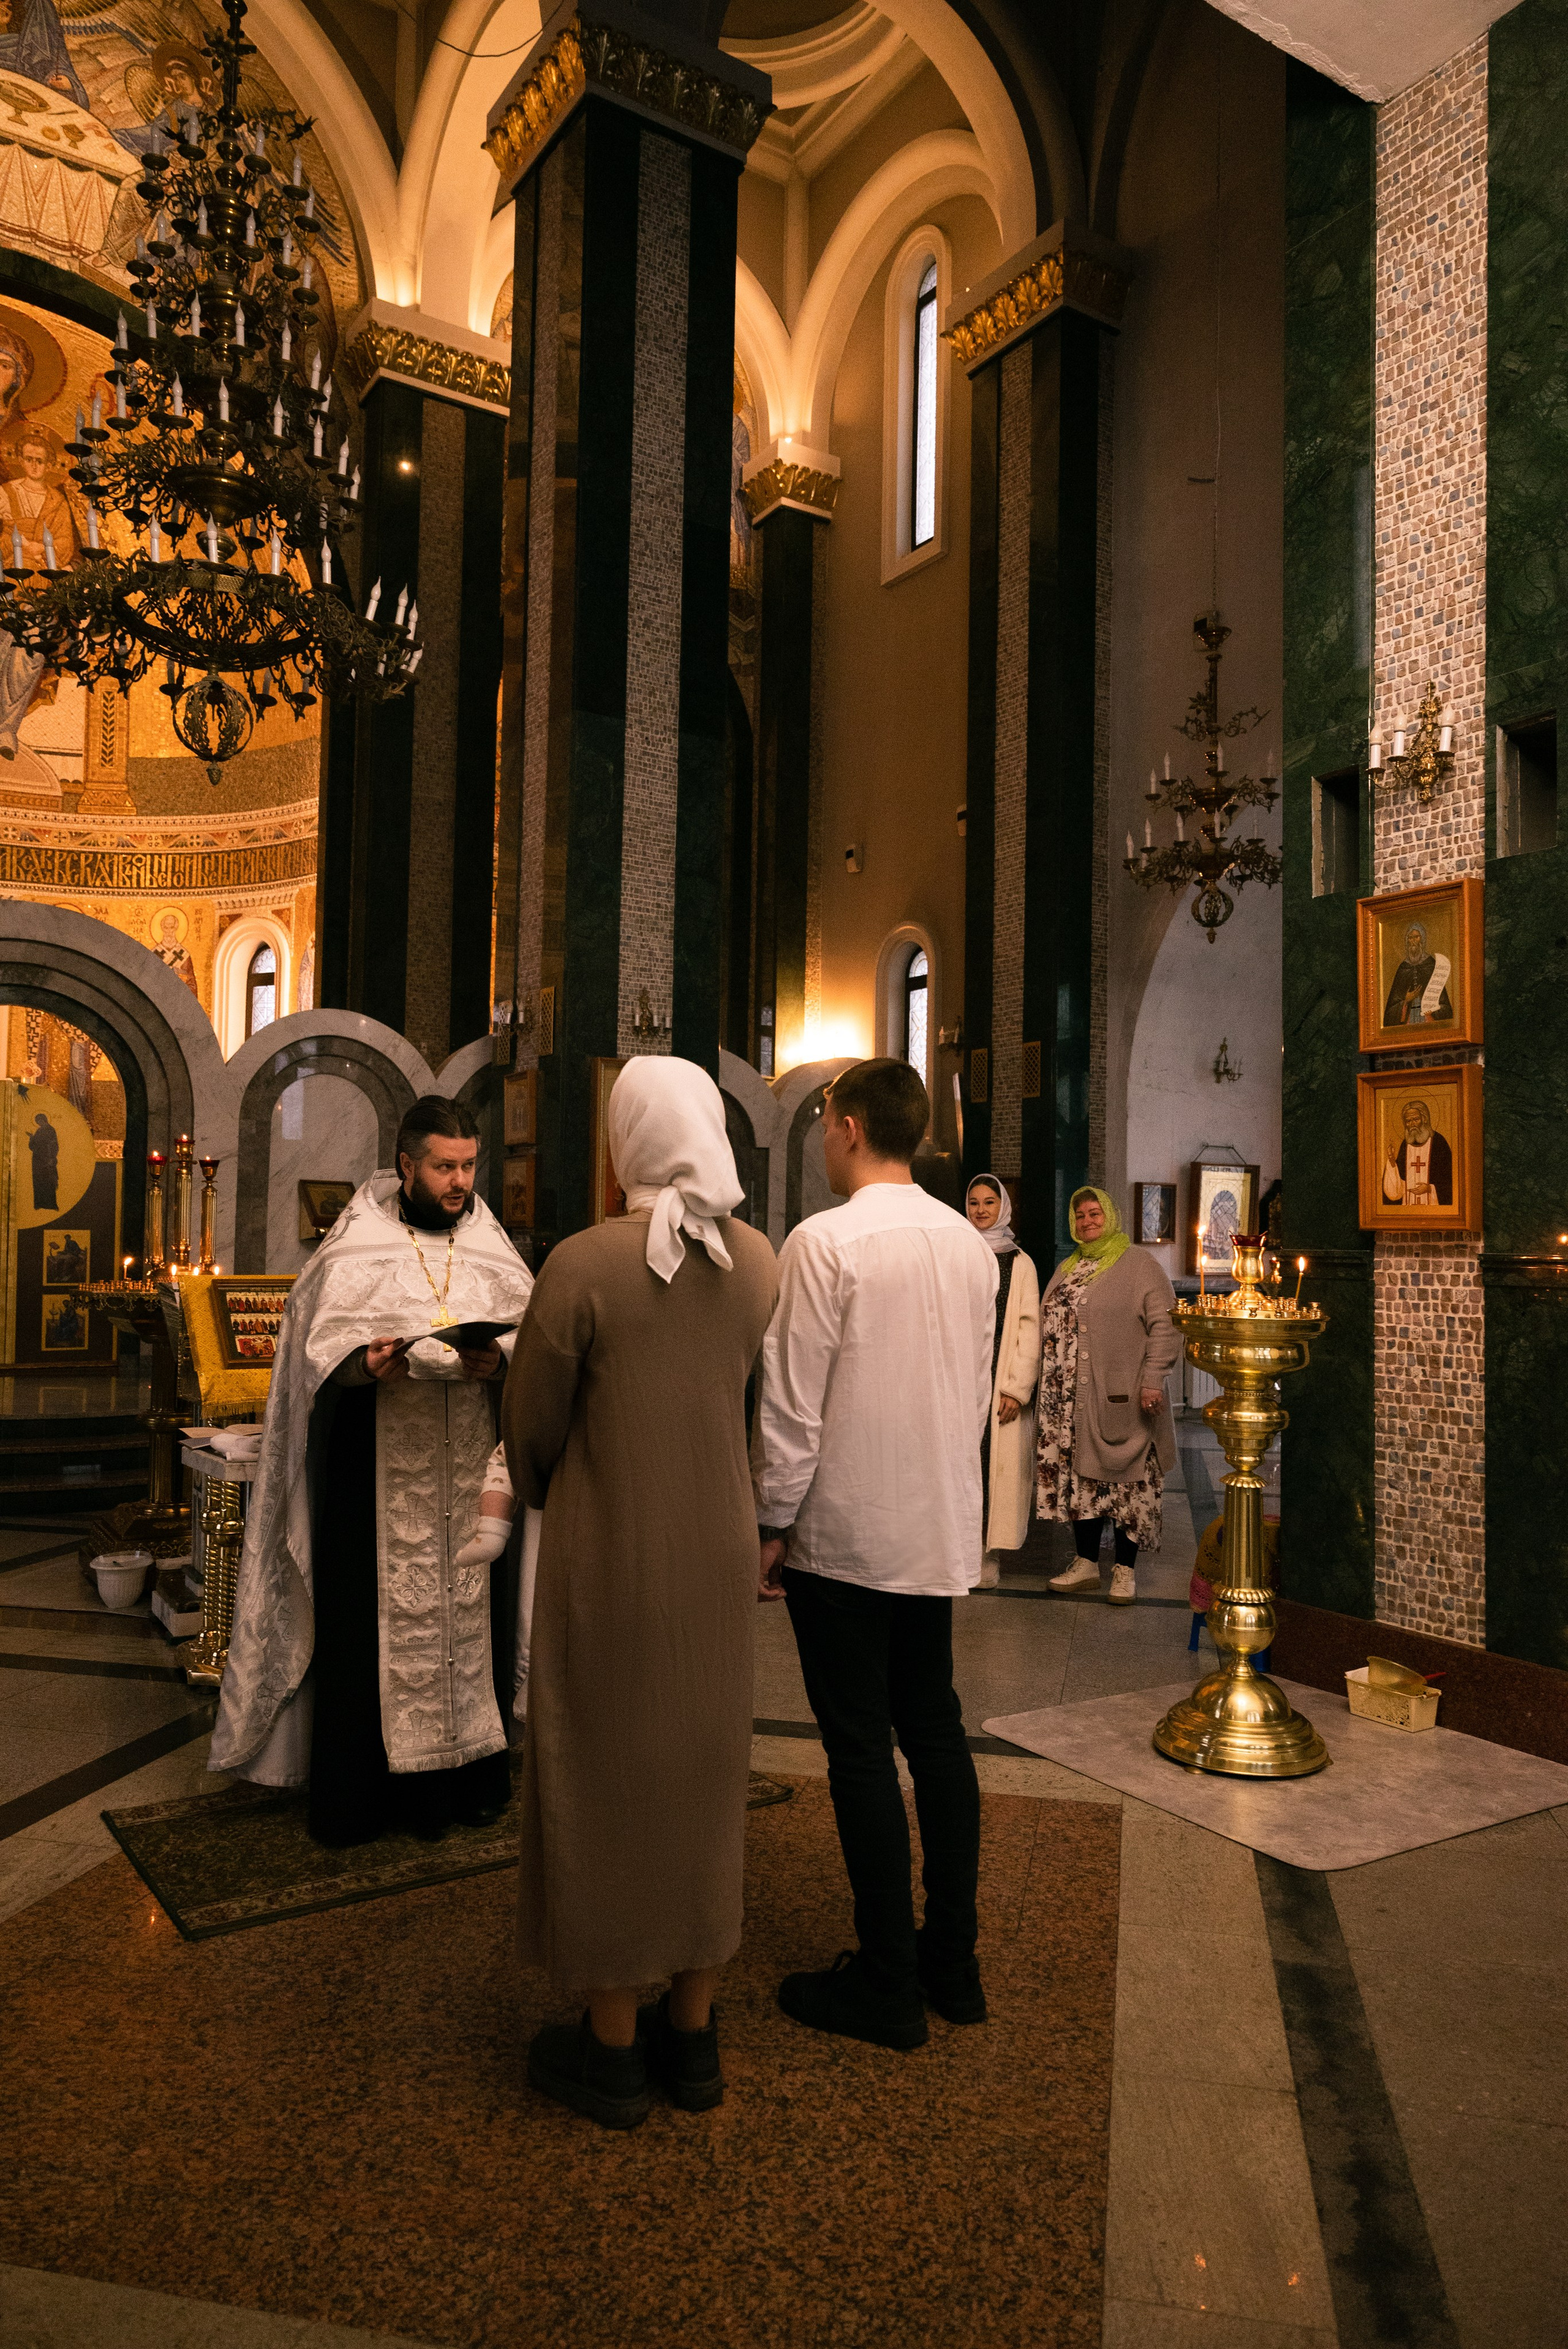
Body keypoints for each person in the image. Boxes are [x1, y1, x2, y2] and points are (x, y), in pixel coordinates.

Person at [502, 1057, 777, 2130]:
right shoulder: (754, 1259)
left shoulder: (582, 1264)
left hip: (614, 1547)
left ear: (627, 1139)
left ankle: (612, 2052)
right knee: (706, 1781)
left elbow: (532, 1426)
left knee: (607, 1773)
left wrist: (540, 1484)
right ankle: (693, 2039)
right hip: (717, 1545)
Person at [209, 1097, 535, 1846]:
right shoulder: (353, 1247)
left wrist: (498, 1359)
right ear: (406, 1164)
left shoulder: (492, 1245)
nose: (460, 1181)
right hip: (375, 1479)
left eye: (468, 1164)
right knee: (370, 1637)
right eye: (445, 1166)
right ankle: (364, 1800)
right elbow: (310, 1364)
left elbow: (532, 1342)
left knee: (468, 1628)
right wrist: (362, 1365)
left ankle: (466, 1786)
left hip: (471, 1481)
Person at [755, 1058, 997, 2052]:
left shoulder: (822, 1242)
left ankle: (888, 1983)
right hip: (933, 1523)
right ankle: (954, 1963)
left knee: (859, 1746)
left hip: (847, 1531)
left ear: (848, 1127)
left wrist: (772, 1523)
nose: (822, 1144)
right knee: (934, 1731)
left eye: (822, 1127)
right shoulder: (972, 1246)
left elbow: (792, 1403)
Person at [1042, 1187, 1181, 1605]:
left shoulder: (1139, 1264)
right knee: (1083, 1480)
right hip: (1070, 1399)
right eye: (1079, 1215)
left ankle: (1125, 1571)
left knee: (1126, 1482)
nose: (1086, 1221)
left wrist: (1153, 1378)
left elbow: (1167, 1324)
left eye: (1094, 1213)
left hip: (1122, 1394)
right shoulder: (1069, 1265)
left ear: (1111, 1216)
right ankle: (1086, 1563)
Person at [965, 1174, 1041, 1588]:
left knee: (993, 1466)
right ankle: (962, 1550)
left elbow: (1030, 1328)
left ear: (1003, 1207)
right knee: (962, 1467)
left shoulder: (1020, 1262)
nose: (980, 1210)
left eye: (989, 1202)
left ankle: (989, 1555)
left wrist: (1016, 1386)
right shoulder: (956, 1252)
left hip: (1000, 1379)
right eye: (974, 1202)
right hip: (962, 1378)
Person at [1382, 1097, 1452, 1205]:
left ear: (1424, 1119)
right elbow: (1399, 1184)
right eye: (1408, 1121)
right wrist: (1392, 1161)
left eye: (1416, 1119)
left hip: (1434, 1204)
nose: (1412, 1124)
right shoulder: (1405, 1145)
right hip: (1408, 1203)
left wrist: (1430, 1188)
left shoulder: (1439, 1143)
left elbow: (1449, 1178)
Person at [1382, 922, 1453, 1027]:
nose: (1413, 941)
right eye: (1410, 938)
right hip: (1408, 1021)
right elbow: (1390, 1010)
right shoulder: (1403, 968)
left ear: (1423, 939)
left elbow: (1444, 1003)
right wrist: (1406, 999)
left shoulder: (1431, 964)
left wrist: (1433, 1007)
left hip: (1430, 1019)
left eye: (1416, 937)